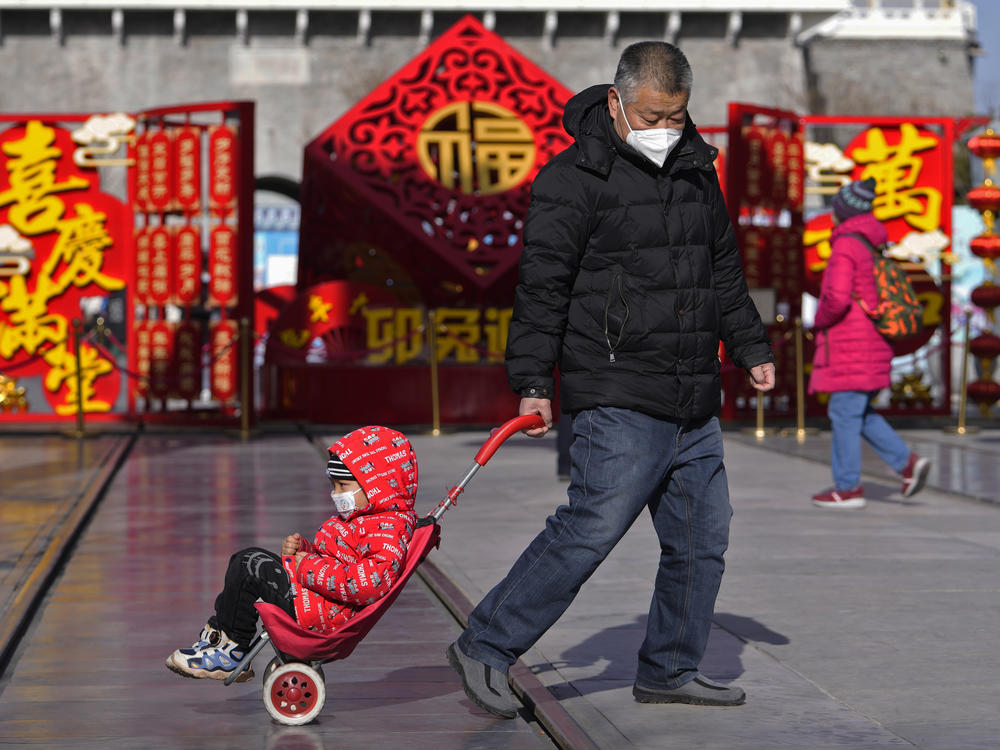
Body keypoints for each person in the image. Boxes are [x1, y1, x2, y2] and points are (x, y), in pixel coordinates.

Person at [445, 41, 775, 717]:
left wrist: (750, 345)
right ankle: (485, 644)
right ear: (617, 101)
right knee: (591, 527)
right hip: (618, 388)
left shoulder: (696, 169)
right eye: (653, 114)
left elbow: (723, 270)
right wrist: (533, 379)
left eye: (678, 116)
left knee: (701, 539)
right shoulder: (573, 178)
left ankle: (669, 667)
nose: (666, 128)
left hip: (692, 393)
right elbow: (543, 287)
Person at [166, 426, 418, 681]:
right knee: (247, 560)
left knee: (249, 566)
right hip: (315, 598)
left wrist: (308, 567)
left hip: (319, 612)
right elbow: (339, 560)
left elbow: (368, 583)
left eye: (343, 485)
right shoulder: (364, 519)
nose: (336, 494)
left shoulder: (386, 530)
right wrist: (305, 551)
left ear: (377, 485)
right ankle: (222, 639)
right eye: (334, 485)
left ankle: (231, 649)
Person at [808, 178, 931, 509]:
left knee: (844, 412)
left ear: (844, 212)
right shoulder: (871, 243)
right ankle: (908, 464)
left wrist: (817, 322)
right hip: (872, 341)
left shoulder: (846, 244)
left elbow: (835, 297)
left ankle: (848, 488)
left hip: (851, 343)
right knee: (858, 411)